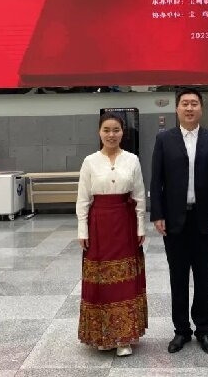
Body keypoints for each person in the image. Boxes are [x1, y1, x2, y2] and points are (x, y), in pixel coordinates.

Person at [150, 87, 208, 355]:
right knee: (178, 276)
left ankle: (204, 329)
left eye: (194, 103)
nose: (189, 108)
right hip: (174, 220)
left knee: (204, 277)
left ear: (201, 109)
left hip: (204, 219)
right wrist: (157, 214)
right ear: (177, 109)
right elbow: (156, 180)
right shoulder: (164, 140)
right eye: (185, 103)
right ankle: (181, 330)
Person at [76, 112, 148, 357]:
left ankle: (124, 337)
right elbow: (83, 199)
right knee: (101, 279)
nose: (111, 135)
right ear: (99, 132)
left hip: (125, 223)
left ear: (122, 133)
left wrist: (140, 227)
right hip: (99, 224)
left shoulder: (132, 160)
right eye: (106, 130)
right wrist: (82, 229)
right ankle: (102, 335)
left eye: (116, 130)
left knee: (124, 280)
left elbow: (139, 196)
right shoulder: (90, 162)